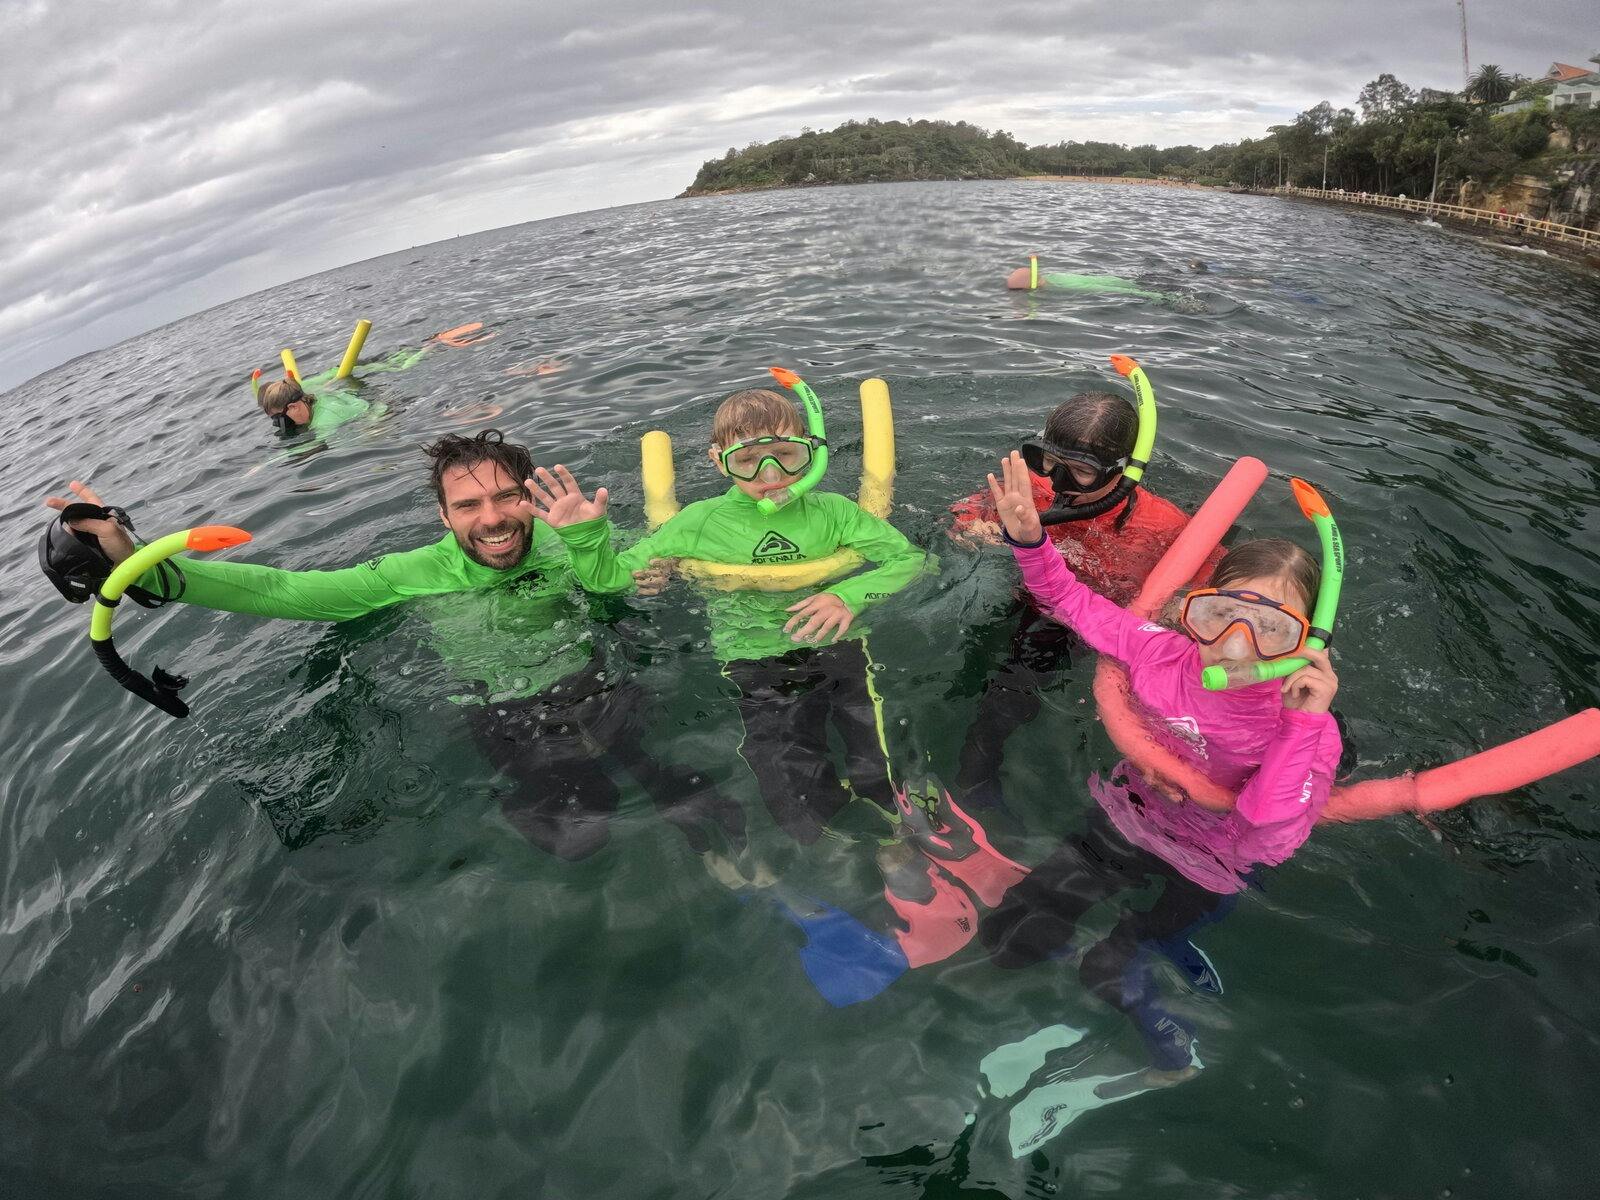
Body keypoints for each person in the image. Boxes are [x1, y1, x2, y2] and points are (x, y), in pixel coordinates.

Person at [41, 430, 743, 862]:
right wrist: (141, 562)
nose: (492, 519)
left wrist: (634, 560)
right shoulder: (412, 573)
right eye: (468, 506)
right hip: (501, 711)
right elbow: (282, 592)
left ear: (531, 497)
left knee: (689, 796)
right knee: (576, 843)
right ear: (443, 515)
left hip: (600, 681)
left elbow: (646, 577)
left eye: (505, 498)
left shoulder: (575, 540)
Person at [525, 384, 1021, 965]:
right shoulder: (696, 524)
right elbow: (610, 580)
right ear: (718, 463)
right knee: (794, 807)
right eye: (746, 460)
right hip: (753, 665)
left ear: (811, 453)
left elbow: (913, 560)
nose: (769, 475)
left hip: (840, 652)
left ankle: (910, 842)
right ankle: (875, 847)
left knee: (873, 765)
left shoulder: (834, 512)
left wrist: (848, 595)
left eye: (786, 456)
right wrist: (585, 536)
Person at [979, 451, 1342, 1083]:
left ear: (1307, 640)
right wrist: (1030, 539)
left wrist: (1303, 724)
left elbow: (1270, 833)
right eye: (1221, 614)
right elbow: (1067, 599)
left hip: (1213, 861)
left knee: (1108, 965)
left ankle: (1169, 1033)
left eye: (1270, 629)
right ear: (1193, 607)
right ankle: (1079, 954)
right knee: (1009, 939)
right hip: (1130, 814)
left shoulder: (1307, 724)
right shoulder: (1161, 652)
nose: (1237, 644)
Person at [948, 390, 1222, 809]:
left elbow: (1219, 588)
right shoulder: (1030, 490)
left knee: (1010, 692)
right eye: (1050, 463)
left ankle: (973, 786)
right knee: (970, 666)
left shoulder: (1162, 525)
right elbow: (962, 515)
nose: (1058, 483)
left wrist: (1176, 607)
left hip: (1092, 624)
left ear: (1124, 470)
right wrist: (976, 532)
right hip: (1027, 597)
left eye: (1080, 472)